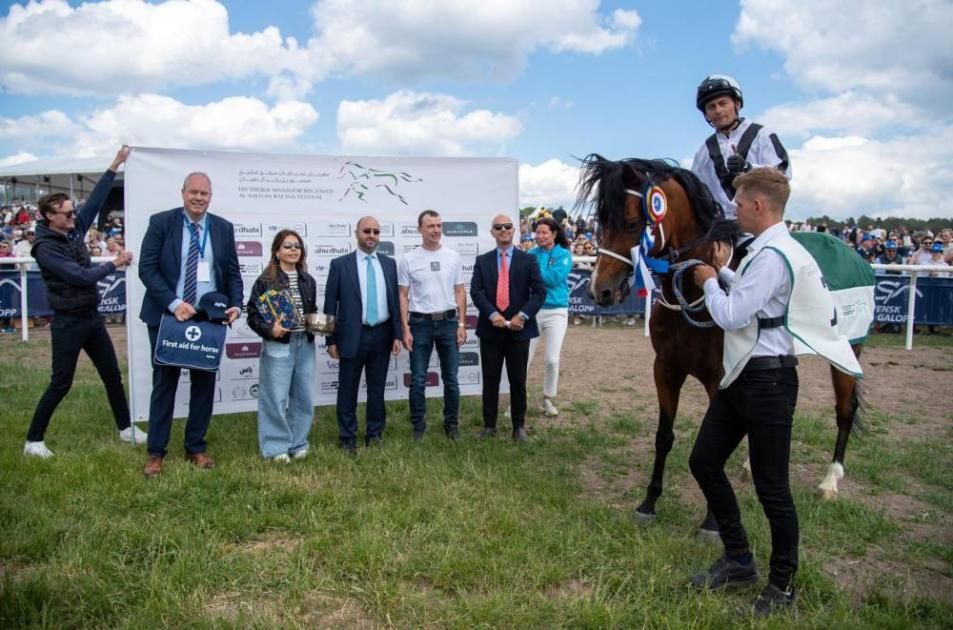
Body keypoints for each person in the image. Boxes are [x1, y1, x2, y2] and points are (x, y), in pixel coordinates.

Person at [688, 168, 862, 616]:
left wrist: (708, 279)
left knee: (773, 489)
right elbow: (753, 300)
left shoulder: (770, 256)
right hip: (749, 376)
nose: (735, 209)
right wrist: (726, 273)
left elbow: (731, 316)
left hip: (765, 382)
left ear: (759, 206)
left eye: (740, 202)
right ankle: (739, 558)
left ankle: (781, 586)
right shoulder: (774, 249)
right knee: (703, 460)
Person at [23, 146, 146, 458]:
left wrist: (115, 165)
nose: (74, 216)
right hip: (67, 323)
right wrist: (115, 262)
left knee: (112, 376)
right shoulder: (44, 247)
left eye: (72, 211)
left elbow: (96, 201)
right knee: (60, 384)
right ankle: (33, 441)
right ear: (50, 217)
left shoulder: (72, 230)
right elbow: (79, 276)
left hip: (91, 318)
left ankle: (125, 427)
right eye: (67, 213)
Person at [138, 172, 243, 478]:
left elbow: (232, 273)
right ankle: (156, 453)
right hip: (168, 314)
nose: (199, 197)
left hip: (207, 317)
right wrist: (174, 303)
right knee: (165, 384)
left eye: (205, 193)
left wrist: (235, 304)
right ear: (182, 193)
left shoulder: (223, 228)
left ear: (211, 197)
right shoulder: (161, 222)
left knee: (203, 385)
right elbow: (147, 269)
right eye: (194, 192)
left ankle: (195, 447)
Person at [324, 216, 402, 455]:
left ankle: (374, 434)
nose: (372, 236)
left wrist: (397, 334)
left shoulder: (389, 264)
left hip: (382, 334)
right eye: (367, 231)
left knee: (377, 389)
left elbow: (394, 303)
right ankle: (347, 437)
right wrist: (330, 339)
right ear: (356, 233)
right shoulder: (340, 264)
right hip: (351, 336)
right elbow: (329, 305)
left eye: (376, 232)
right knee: (347, 389)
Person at [470, 215, 545, 441]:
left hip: (519, 331)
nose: (503, 230)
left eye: (507, 226)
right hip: (491, 330)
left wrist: (522, 316)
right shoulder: (482, 261)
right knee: (490, 379)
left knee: (518, 381)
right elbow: (476, 292)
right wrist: (492, 314)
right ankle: (489, 426)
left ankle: (518, 427)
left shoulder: (528, 260)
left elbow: (539, 292)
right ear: (492, 232)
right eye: (498, 227)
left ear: (514, 231)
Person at [246, 230, 318, 462]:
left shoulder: (309, 280)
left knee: (303, 396)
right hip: (278, 344)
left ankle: (298, 443)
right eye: (287, 246)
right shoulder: (266, 281)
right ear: (277, 252)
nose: (293, 250)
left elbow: (310, 310)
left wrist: (316, 321)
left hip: (304, 344)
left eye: (297, 246)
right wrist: (270, 330)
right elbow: (252, 315)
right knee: (275, 397)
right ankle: (276, 447)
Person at [397, 209, 467, 441]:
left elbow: (459, 291)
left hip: (448, 322)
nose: (436, 230)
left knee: (451, 379)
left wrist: (462, 324)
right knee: (418, 380)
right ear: (420, 229)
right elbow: (403, 295)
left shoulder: (453, 256)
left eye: (439, 225)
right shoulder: (408, 259)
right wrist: (405, 329)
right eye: (431, 226)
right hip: (420, 324)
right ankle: (418, 426)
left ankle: (452, 425)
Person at [691, 75, 791, 220]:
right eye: (711, 107)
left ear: (736, 104)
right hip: (721, 228)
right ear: (706, 114)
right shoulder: (703, 152)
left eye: (722, 103)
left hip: (761, 224)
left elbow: (783, 176)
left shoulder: (762, 135)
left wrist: (748, 168)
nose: (718, 110)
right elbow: (696, 192)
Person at [525, 216, 573, 417]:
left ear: (554, 234)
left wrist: (534, 273)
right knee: (524, 358)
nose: (540, 236)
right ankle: (517, 400)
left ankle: (547, 398)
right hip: (533, 310)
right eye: (538, 232)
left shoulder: (564, 254)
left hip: (556, 312)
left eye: (544, 232)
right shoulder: (530, 253)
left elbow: (553, 279)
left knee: (552, 360)